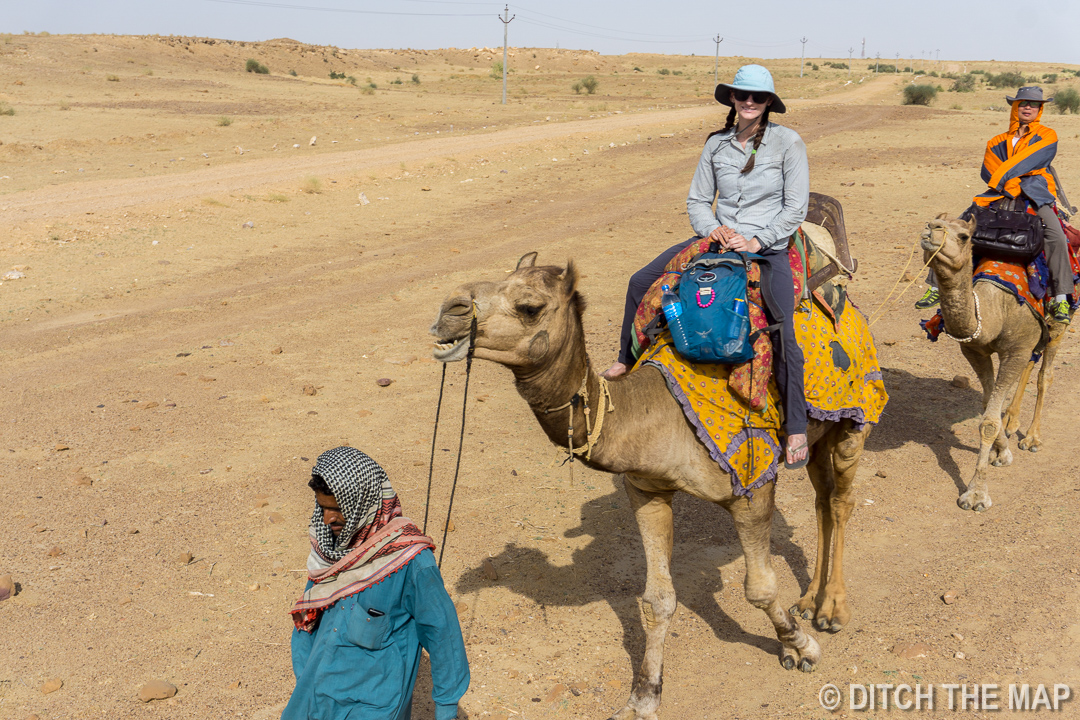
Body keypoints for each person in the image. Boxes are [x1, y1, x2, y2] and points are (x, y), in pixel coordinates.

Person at [603, 64, 810, 469]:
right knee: (640, 281)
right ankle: (627, 358)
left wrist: (756, 239)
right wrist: (714, 229)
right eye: (742, 95)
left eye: (758, 97)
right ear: (732, 98)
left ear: (769, 103)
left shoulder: (789, 143)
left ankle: (797, 426)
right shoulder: (716, 144)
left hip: (767, 246)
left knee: (783, 330)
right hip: (717, 239)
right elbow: (698, 200)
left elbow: (794, 207)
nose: (749, 102)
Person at [283, 446, 469, 720]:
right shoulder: (330, 552)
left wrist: (446, 708)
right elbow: (308, 623)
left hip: (372, 705)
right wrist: (304, 677)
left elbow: (442, 633)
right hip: (314, 698)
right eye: (322, 508)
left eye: (336, 509)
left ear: (362, 504)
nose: (327, 519)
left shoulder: (410, 561)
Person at [917, 86, 1072, 324]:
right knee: (955, 230)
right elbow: (989, 169)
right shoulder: (996, 140)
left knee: (1056, 236)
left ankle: (1060, 296)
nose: (1028, 107)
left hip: (1035, 193)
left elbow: (1029, 161)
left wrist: (1013, 181)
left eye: (1033, 104)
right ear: (1015, 107)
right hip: (999, 192)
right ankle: (936, 287)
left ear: (1040, 109)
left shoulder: (1047, 135)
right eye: (1023, 103)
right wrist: (1010, 184)